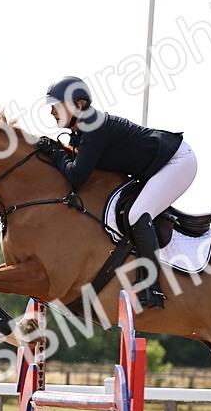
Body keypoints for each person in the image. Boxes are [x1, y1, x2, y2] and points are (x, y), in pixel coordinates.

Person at [37, 76, 197, 309]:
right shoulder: (82, 131)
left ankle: (152, 288)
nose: (52, 111)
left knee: (137, 214)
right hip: (156, 167)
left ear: (79, 105)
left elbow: (77, 176)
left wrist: (54, 152)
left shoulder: (93, 127)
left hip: (177, 162)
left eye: (57, 106)